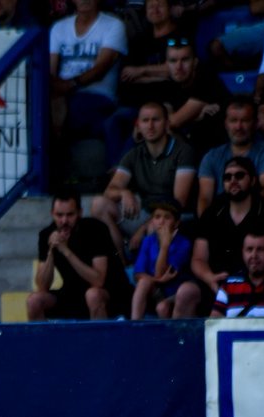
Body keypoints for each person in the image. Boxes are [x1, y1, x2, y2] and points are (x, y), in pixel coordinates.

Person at [178, 156, 264, 317]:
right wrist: (210, 278)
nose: (233, 180)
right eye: (227, 177)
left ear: (252, 180)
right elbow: (198, 259)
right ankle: (184, 343)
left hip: (258, 283)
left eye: (239, 175)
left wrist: (244, 283)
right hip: (215, 283)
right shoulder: (212, 212)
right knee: (186, 292)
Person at [90, 101, 197, 261]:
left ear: (167, 123)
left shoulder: (183, 152)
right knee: (99, 205)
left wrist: (143, 227)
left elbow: (178, 202)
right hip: (147, 212)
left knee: (156, 225)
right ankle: (121, 268)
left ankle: (151, 279)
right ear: (138, 125)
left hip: (175, 216)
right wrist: (124, 192)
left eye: (156, 120)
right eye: (145, 121)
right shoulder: (133, 155)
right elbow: (109, 191)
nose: (150, 125)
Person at [27, 188, 133, 320]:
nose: (64, 221)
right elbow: (43, 286)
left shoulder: (96, 229)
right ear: (52, 214)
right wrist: (51, 252)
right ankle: (42, 341)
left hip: (112, 294)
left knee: (93, 295)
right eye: (59, 215)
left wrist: (66, 251)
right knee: (34, 300)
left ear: (80, 213)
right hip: (73, 295)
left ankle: (99, 340)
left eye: (70, 215)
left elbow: (98, 281)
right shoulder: (46, 234)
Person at [48, 0, 127, 167]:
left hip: (98, 96)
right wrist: (57, 90)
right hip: (62, 94)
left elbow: (100, 69)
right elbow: (50, 70)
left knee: (70, 110)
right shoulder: (59, 28)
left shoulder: (113, 25)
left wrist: (68, 85)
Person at [196, 96, 264, 216]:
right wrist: (205, 229)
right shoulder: (212, 156)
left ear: (255, 123)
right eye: (233, 121)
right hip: (220, 221)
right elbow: (205, 199)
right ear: (226, 124)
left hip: (255, 220)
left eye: (245, 120)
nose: (238, 127)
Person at [161, 35, 229, 156]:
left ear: (195, 62)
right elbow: (163, 119)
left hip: (216, 149)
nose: (179, 66)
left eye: (185, 60)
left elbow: (173, 122)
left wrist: (175, 119)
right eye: (173, 61)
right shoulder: (169, 85)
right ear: (166, 64)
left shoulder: (206, 80)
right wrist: (196, 116)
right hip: (190, 147)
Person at [130, 200, 193, 319]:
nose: (161, 221)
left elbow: (162, 273)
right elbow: (138, 274)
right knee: (143, 282)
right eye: (157, 217)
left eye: (167, 217)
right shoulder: (148, 240)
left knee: (162, 308)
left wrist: (165, 246)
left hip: (174, 293)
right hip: (154, 290)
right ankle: (134, 324)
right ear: (152, 221)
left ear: (176, 223)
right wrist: (158, 281)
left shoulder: (184, 243)